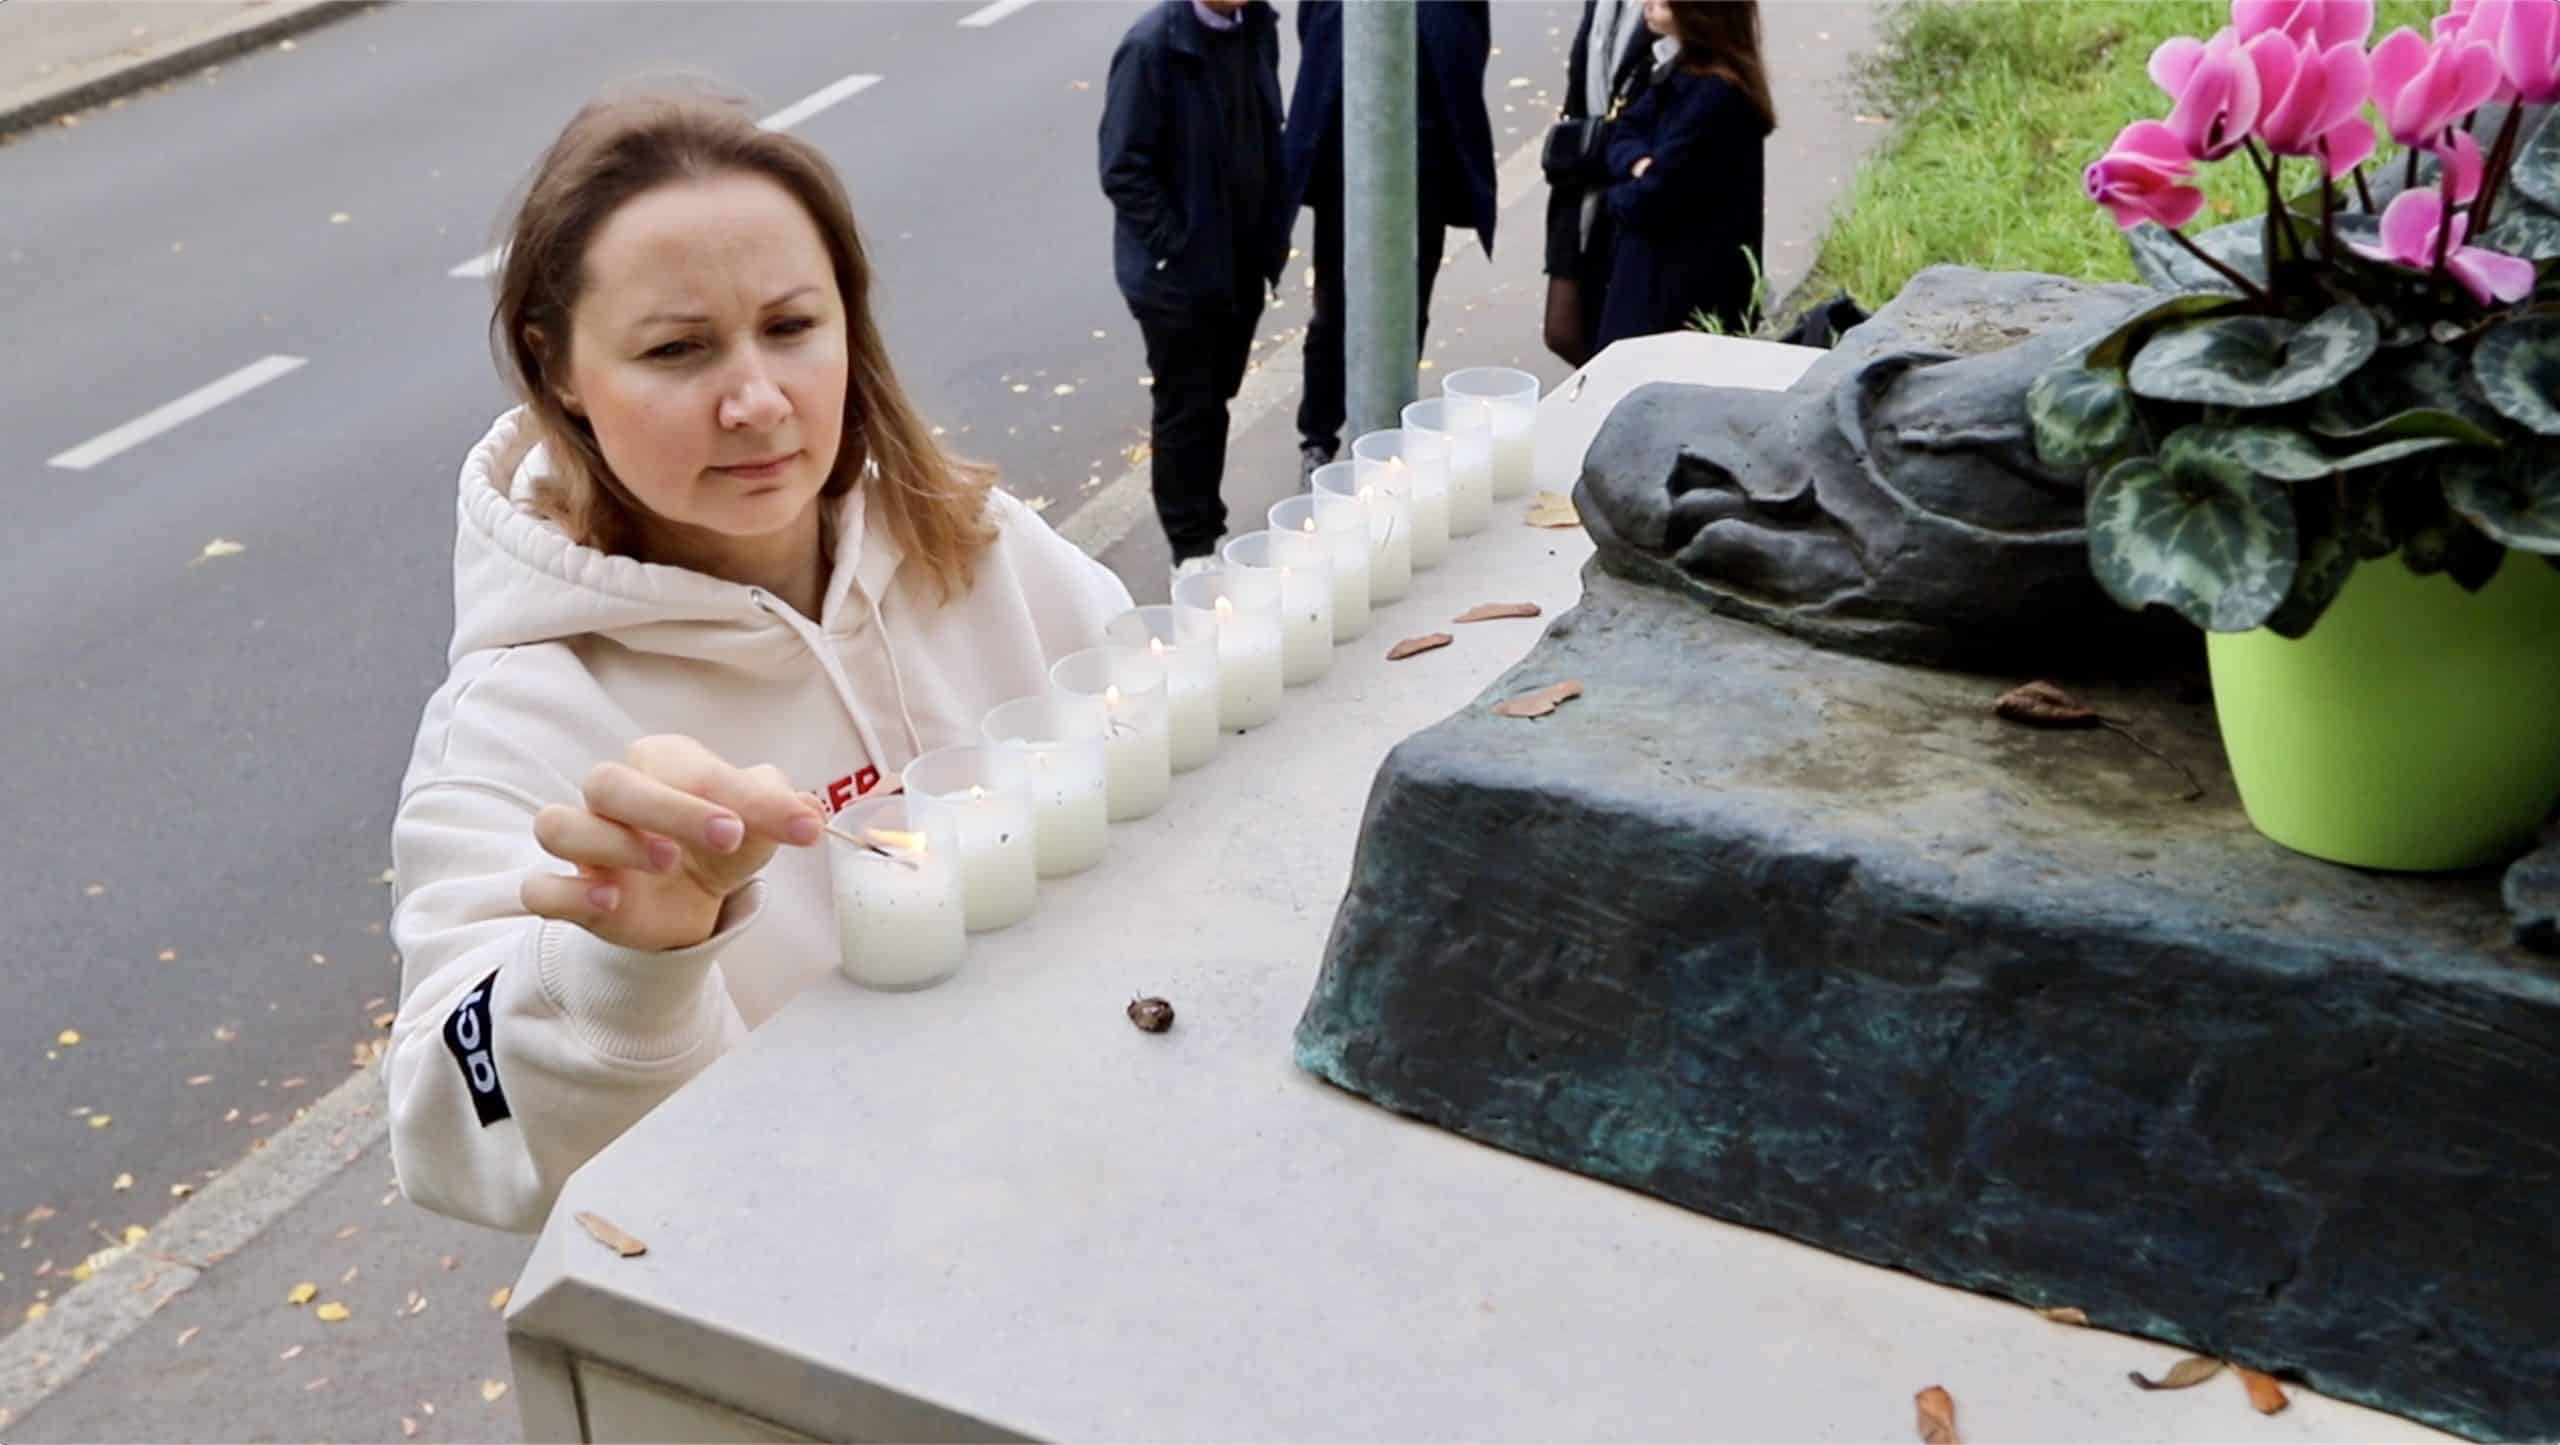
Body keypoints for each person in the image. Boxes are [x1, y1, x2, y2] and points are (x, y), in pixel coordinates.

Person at [387, 86, 1134, 1232]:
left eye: (790, 326)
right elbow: (450, 1129)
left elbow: (1165, 764)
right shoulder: (520, 716)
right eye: (679, 348)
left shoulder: (978, 547)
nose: (756, 400)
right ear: (561, 370)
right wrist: (627, 968)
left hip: (1105, 1173)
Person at [1098, 0, 1290, 575]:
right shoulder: (1152, 48)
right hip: (1177, 279)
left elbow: (1263, 128)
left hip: (1239, 263)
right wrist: (1178, 247)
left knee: (1216, 395)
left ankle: (1206, 524)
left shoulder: (1256, 26)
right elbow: (1123, 168)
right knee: (1188, 404)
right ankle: (1193, 545)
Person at [1282, 0, 1496, 482]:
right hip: (1349, 174)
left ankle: (1390, 430)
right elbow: (1317, 41)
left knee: (1407, 308)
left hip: (1426, 176)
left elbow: (1468, 51)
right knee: (1334, 311)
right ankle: (1318, 435)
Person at [1595, 0, 1774, 349]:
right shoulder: (1682, 71)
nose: (1647, 4)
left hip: (1679, 294)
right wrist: (1640, 165)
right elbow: (1624, 133)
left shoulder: (1714, 95)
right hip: (1661, 279)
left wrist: (1618, 193)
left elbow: (1652, 196)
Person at [1541, 0, 1657, 367]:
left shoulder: (1668, 13)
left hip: (1632, 186)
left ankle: (1607, 406)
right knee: (1563, 330)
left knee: (1612, 336)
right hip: (1582, 182)